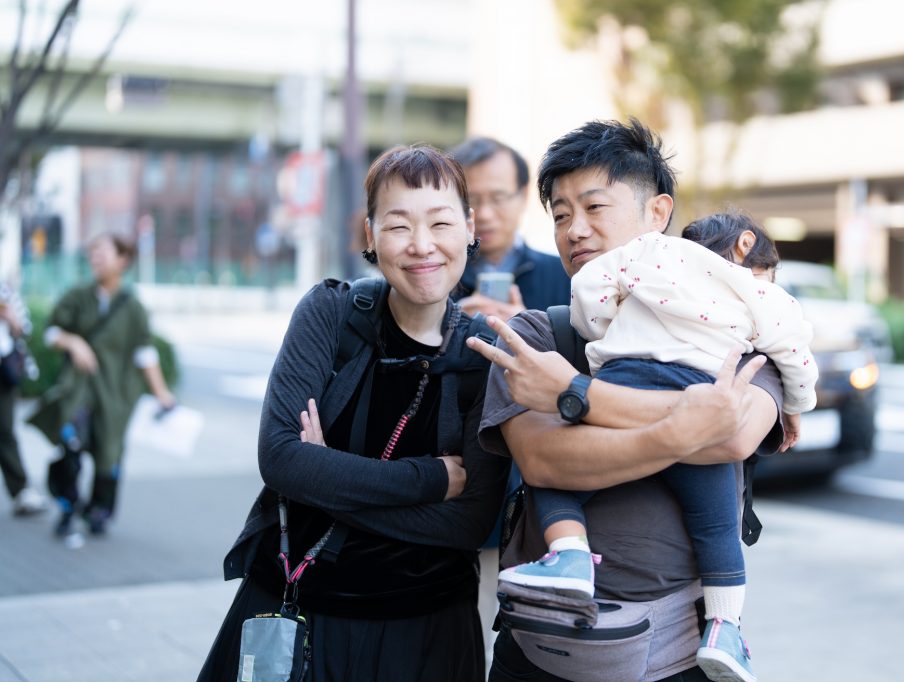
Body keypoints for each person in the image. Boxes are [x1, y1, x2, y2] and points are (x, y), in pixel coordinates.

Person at [466, 119, 785, 682]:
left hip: (681, 657)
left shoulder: (735, 328)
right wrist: (685, 429)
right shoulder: (537, 335)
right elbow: (545, 460)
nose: (574, 230)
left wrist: (573, 393)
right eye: (560, 215)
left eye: (594, 207)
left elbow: (733, 433)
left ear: (657, 214)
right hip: (541, 654)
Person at [198, 145, 509, 682]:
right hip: (299, 614)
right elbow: (279, 460)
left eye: (440, 222)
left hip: (425, 635)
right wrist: (431, 477)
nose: (422, 245)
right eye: (398, 226)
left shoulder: (485, 354)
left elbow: (469, 522)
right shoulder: (329, 313)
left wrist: (321, 478)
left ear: (468, 227)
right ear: (369, 234)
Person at [497, 211, 818, 682]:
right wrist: (796, 404)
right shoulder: (762, 293)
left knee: (559, 480)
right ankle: (725, 629)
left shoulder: (649, 252)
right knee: (716, 529)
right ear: (747, 244)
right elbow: (797, 353)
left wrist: (610, 327)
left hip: (624, 375)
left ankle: (569, 555)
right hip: (701, 396)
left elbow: (590, 291)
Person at [28, 232, 176, 542]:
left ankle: (98, 512)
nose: (96, 258)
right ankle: (68, 505)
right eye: (93, 252)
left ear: (123, 260)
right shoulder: (78, 296)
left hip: (115, 395)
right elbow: (50, 333)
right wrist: (74, 342)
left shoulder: (133, 307)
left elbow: (144, 352)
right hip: (79, 391)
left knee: (109, 455)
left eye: (103, 252)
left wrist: (161, 392)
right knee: (70, 444)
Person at [449, 137, 570, 320]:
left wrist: (531, 328)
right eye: (471, 200)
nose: (484, 214)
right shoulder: (436, 276)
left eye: (498, 198)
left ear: (523, 196)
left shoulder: (565, 276)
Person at [0, 280, 47, 517]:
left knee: (5, 430)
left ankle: (20, 490)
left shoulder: (5, 290)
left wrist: (11, 319)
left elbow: (24, 328)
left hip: (3, 369)